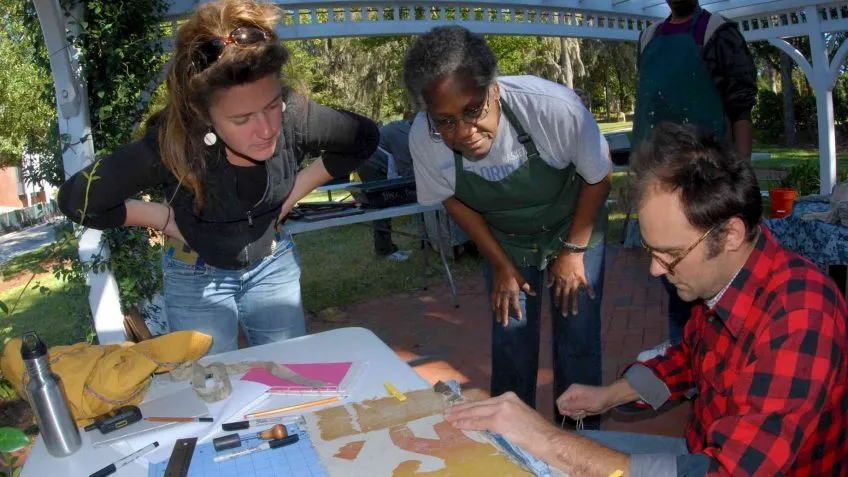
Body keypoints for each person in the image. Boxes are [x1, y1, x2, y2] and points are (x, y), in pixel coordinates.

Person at [444, 123, 848, 477]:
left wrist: (548, 439)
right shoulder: (729, 279)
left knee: (548, 453)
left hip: (721, 467)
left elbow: (728, 471)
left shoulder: (802, 318)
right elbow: (691, 358)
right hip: (700, 455)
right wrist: (611, 394)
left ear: (730, 235)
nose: (656, 270)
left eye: (670, 255)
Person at [57, 0, 378, 355]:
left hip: (272, 267)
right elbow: (78, 200)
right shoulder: (172, 141)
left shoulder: (295, 116)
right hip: (195, 278)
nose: (267, 129)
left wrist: (294, 192)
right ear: (203, 115)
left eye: (272, 105)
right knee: (212, 393)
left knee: (292, 379)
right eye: (242, 120)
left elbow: (364, 137)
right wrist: (161, 218)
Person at [403, 26, 612, 429]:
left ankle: (582, 440)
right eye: (445, 121)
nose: (463, 133)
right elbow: (451, 197)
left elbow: (599, 178)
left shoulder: (552, 107)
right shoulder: (424, 138)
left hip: (574, 223)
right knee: (511, 337)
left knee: (578, 335)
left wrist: (572, 252)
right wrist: (499, 264)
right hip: (506, 240)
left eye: (473, 110)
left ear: (494, 90)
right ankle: (513, 440)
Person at [631, 0, 757, 360]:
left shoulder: (717, 33)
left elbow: (740, 110)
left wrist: (739, 179)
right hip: (658, 180)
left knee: (711, 276)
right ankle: (685, 356)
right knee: (673, 275)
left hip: (706, 180)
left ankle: (722, 360)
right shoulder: (649, 37)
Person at [356, 119, 414, 261]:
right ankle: (385, 251)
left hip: (373, 163)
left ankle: (386, 248)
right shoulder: (403, 134)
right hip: (371, 165)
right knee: (382, 208)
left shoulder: (405, 129)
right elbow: (407, 171)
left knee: (382, 207)